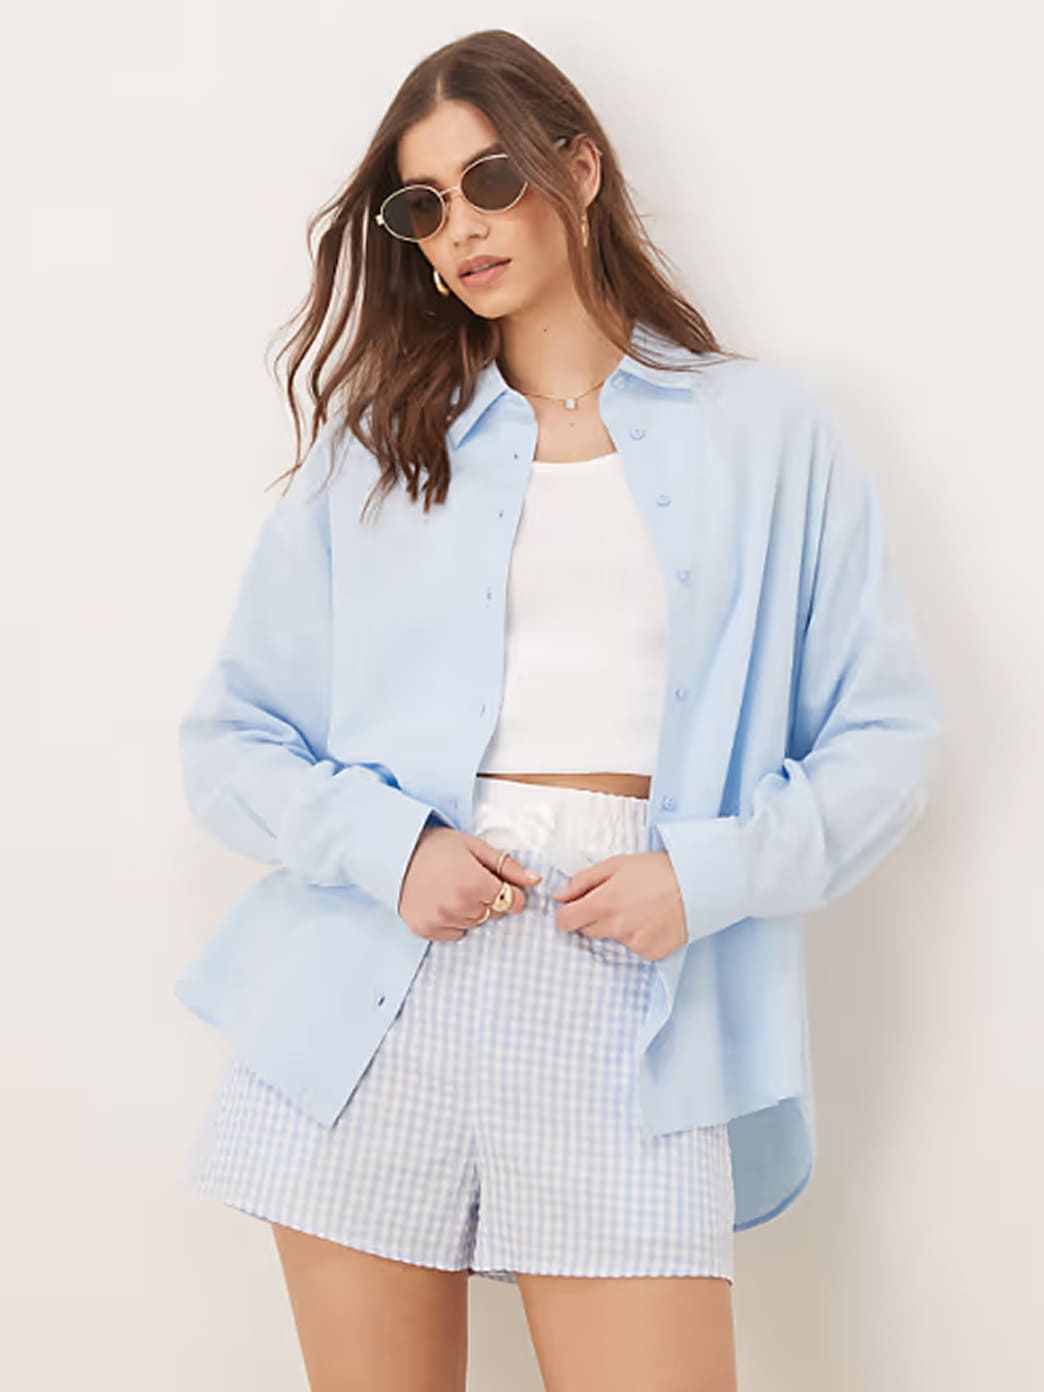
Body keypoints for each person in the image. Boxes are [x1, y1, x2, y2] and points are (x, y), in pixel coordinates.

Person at [175, 28, 944, 1392]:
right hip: (376, 996)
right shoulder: (378, 452)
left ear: (577, 168)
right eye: (424, 208)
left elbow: (886, 741)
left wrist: (704, 878)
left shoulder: (763, 433)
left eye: (490, 181)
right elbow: (230, 743)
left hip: (635, 1000)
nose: (461, 229)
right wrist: (393, 851)